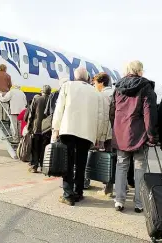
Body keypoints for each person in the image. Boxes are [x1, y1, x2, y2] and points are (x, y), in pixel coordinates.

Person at [110, 60, 158, 213]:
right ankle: (139, 203)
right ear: (140, 70)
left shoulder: (118, 87)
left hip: (121, 133)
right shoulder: (146, 87)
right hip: (140, 135)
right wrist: (152, 136)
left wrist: (116, 128)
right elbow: (149, 113)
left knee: (121, 165)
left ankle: (119, 200)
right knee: (139, 168)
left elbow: (112, 111)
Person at [52, 67, 104, 206]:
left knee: (67, 162)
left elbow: (59, 108)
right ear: (87, 78)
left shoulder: (67, 86)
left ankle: (68, 194)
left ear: (75, 77)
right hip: (87, 132)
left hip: (68, 129)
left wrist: (56, 128)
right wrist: (98, 135)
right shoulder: (95, 92)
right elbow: (100, 116)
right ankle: (79, 192)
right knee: (81, 163)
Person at [92, 72, 114, 196]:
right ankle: (123, 185)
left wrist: (100, 136)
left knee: (108, 159)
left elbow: (103, 117)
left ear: (101, 83)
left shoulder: (103, 95)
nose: (94, 85)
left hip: (108, 133)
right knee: (117, 159)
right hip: (117, 132)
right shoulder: (115, 92)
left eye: (95, 83)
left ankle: (108, 188)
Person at [27, 85, 52, 173]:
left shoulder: (37, 99)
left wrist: (29, 126)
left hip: (37, 127)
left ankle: (34, 166)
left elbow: (31, 114)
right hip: (48, 129)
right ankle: (43, 166)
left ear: (42, 91)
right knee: (44, 148)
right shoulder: (52, 100)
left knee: (35, 147)